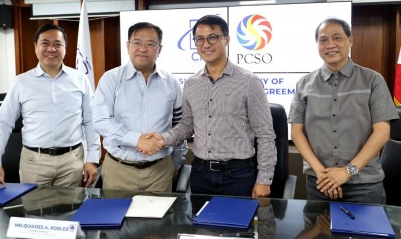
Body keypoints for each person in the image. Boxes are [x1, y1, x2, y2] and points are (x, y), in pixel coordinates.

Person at [146, 15, 277, 197]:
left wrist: (264, 179)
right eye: (200, 39)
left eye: (213, 37)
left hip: (238, 175)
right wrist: (163, 139)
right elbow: (186, 126)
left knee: (237, 225)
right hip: (200, 173)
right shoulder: (192, 83)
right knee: (201, 225)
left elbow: (265, 134)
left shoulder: (249, 82)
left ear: (227, 40)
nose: (206, 44)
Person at [288, 18, 400, 204]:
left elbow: (382, 132)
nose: (330, 44)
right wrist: (321, 174)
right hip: (319, 184)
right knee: (318, 232)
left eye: (337, 37)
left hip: (364, 186)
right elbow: (296, 131)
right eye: (323, 40)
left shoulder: (372, 80)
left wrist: (347, 172)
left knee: (366, 234)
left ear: (351, 40)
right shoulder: (304, 84)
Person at [0, 24, 101, 187]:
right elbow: (3, 123)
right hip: (34, 161)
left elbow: (91, 121)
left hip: (72, 161)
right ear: (36, 47)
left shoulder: (80, 80)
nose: (51, 49)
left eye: (57, 44)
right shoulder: (21, 82)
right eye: (45, 43)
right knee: (33, 210)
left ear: (65, 48)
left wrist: (93, 158)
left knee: (70, 210)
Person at [92, 22, 187, 192]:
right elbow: (101, 121)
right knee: (116, 218)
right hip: (118, 171)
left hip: (160, 172)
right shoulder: (111, 79)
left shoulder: (171, 83)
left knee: (159, 218)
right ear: (128, 46)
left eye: (150, 44)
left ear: (160, 49)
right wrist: (136, 139)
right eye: (137, 42)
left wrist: (176, 163)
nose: (143, 48)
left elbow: (179, 126)